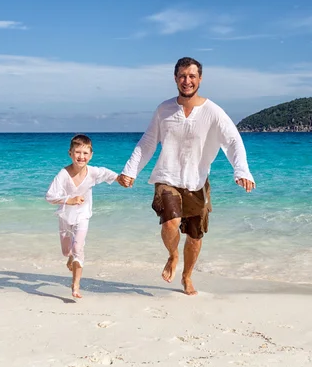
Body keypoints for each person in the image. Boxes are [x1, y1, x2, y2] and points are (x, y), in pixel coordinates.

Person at [117, 57, 255, 296]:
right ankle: (172, 255)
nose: (187, 80)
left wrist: (241, 170)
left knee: (195, 236)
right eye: (182, 76)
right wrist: (130, 170)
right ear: (175, 78)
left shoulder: (213, 111)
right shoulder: (164, 109)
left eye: (192, 76)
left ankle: (187, 276)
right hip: (167, 176)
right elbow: (148, 141)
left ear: (200, 79)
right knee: (170, 222)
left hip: (196, 182)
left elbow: (233, 140)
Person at [46, 134, 118, 298]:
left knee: (78, 247)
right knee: (67, 251)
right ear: (70, 153)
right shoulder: (63, 174)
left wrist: (121, 179)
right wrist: (69, 200)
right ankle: (70, 257)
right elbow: (49, 196)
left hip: (83, 216)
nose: (81, 156)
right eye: (77, 152)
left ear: (91, 155)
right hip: (65, 216)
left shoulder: (92, 172)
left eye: (85, 153)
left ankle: (75, 285)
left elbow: (106, 173)